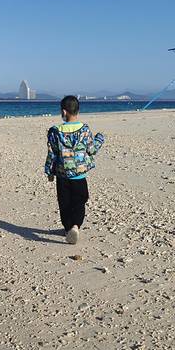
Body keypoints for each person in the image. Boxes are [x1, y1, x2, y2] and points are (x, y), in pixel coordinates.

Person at [44, 96, 105, 244]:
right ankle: (76, 226)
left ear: (64, 112)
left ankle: (68, 228)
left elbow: (52, 154)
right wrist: (99, 139)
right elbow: (92, 150)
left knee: (64, 203)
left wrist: (49, 172)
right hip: (79, 175)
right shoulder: (84, 130)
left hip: (62, 175)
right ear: (78, 111)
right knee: (79, 201)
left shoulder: (55, 131)